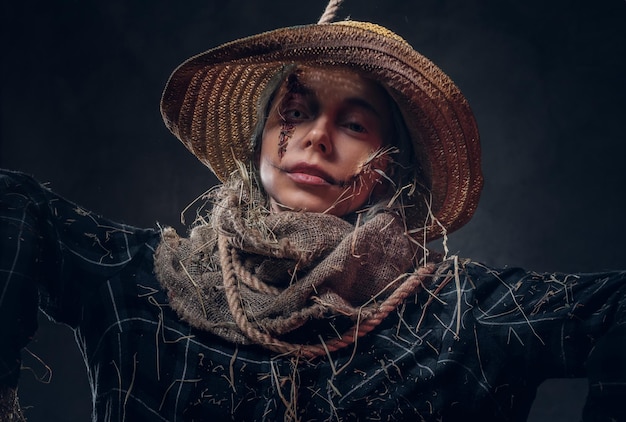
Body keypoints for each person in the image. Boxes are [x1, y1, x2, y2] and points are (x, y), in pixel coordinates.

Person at [1, 1, 625, 421]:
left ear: (391, 163)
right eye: (296, 112)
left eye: (353, 123)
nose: (317, 137)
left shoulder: (462, 316)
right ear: (261, 137)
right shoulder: (140, 284)